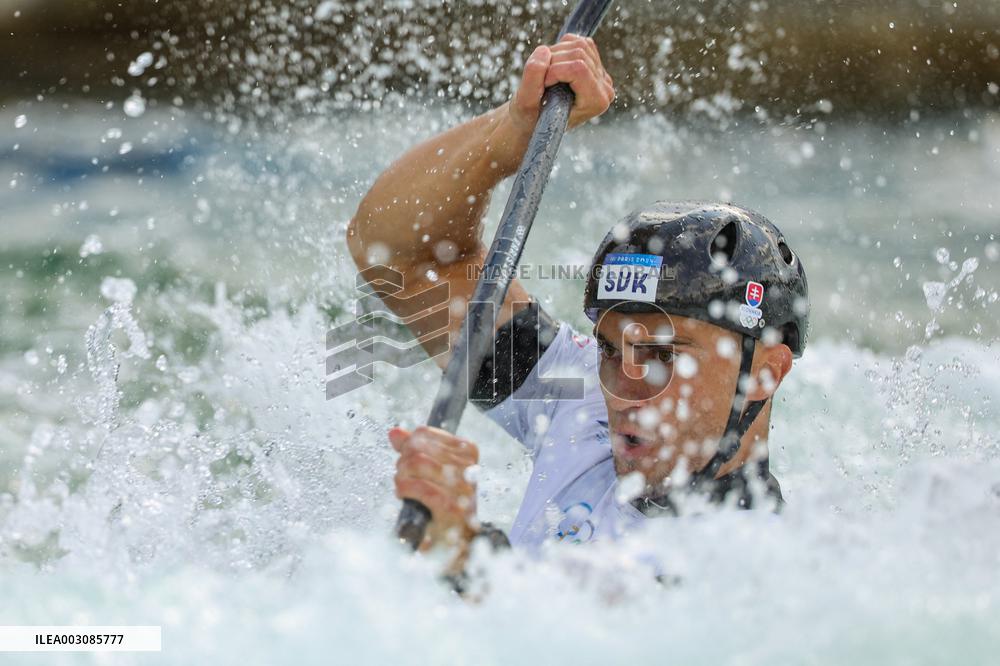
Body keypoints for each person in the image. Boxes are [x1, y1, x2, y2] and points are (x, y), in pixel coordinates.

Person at [346, 34, 809, 560]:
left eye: (663, 355)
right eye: (609, 349)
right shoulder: (586, 403)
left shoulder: (753, 564)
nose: (624, 391)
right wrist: (513, 134)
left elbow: (569, 612)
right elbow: (401, 255)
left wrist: (462, 552)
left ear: (764, 373)